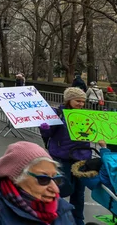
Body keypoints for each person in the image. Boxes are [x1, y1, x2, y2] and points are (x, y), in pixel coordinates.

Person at [0, 141, 75, 224]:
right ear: (16, 178)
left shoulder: (61, 208)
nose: (55, 190)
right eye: (43, 179)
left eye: (56, 179)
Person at [39, 87, 90, 225]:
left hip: (81, 157)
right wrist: (44, 128)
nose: (81, 104)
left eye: (83, 101)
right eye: (77, 101)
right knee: (59, 189)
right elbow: (48, 134)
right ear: (69, 100)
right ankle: (54, 217)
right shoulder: (58, 113)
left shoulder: (87, 114)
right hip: (62, 157)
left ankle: (78, 220)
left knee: (79, 193)